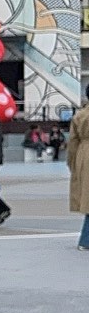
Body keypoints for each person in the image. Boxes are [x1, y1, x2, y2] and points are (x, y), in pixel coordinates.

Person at [69, 92, 89, 251]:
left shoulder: (80, 115)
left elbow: (72, 142)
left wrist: (73, 164)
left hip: (84, 154)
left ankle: (85, 239)